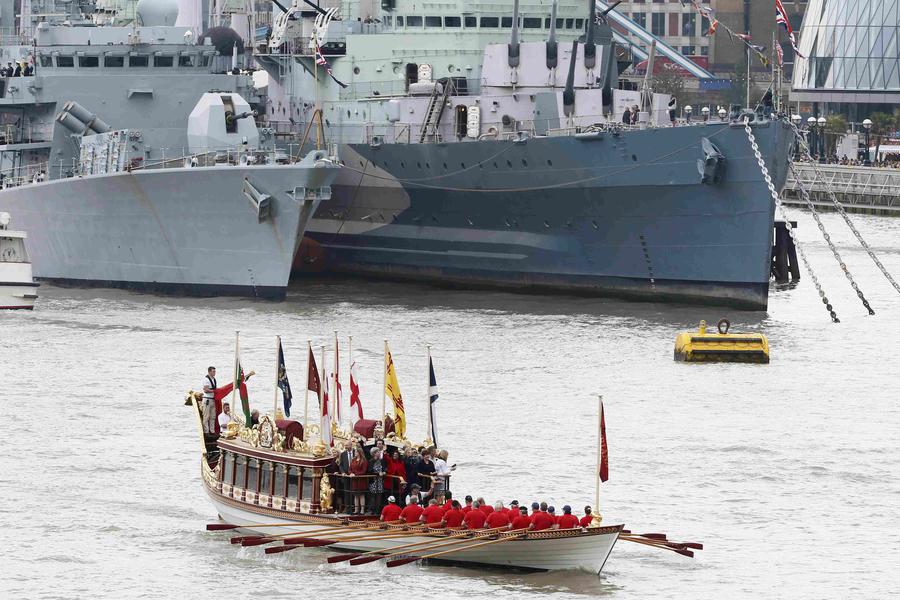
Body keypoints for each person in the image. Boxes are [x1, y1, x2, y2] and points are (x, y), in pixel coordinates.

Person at [349, 447, 369, 515]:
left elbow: (364, 471)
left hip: (361, 480)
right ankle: (356, 509)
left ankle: (362, 510)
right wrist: (351, 473)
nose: (355, 453)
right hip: (354, 480)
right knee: (355, 495)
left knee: (361, 495)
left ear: (360, 452)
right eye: (355, 452)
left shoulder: (364, 461)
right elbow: (350, 469)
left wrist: (356, 474)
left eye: (356, 452)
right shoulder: (353, 460)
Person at [368, 448, 387, 514]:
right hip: (373, 481)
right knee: (373, 496)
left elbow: (384, 468)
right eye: (378, 452)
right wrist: (378, 473)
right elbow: (369, 471)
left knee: (379, 495)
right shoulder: (371, 461)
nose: (379, 453)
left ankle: (378, 510)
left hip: (380, 481)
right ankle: (372, 510)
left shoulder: (381, 461)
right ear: (374, 453)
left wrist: (384, 472)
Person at [338, 443, 355, 512]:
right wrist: (342, 472)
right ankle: (348, 508)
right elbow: (340, 465)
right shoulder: (343, 454)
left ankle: (354, 507)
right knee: (346, 492)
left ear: (351, 445)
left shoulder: (355, 452)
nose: (345, 446)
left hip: (354, 476)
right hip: (346, 477)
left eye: (347, 445)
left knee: (354, 492)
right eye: (345, 445)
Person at [201, 366, 218, 433]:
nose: (214, 373)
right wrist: (214, 391)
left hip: (213, 399)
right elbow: (205, 390)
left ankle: (212, 431)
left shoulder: (214, 379)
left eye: (215, 371)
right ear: (209, 372)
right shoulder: (206, 379)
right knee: (206, 416)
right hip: (207, 400)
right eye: (213, 371)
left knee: (213, 416)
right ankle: (206, 432)